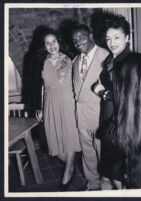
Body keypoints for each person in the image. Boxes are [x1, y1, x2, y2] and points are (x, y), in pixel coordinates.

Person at [95, 14, 141, 189]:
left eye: (117, 37)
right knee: (114, 172)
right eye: (108, 38)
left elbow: (128, 101)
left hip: (122, 129)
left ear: (127, 37)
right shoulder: (112, 61)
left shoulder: (133, 62)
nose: (112, 42)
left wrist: (102, 93)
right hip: (109, 125)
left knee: (125, 171)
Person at [35, 28, 81, 188]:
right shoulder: (41, 62)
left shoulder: (70, 59)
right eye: (48, 43)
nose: (52, 45)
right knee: (53, 141)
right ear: (44, 46)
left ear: (59, 42)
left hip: (69, 102)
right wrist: (38, 107)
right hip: (50, 104)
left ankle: (68, 172)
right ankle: (71, 164)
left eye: (54, 41)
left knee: (70, 137)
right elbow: (37, 87)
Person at [72, 24, 109, 190]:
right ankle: (92, 183)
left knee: (103, 151)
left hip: (100, 114)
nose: (78, 42)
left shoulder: (106, 56)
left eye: (81, 37)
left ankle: (106, 183)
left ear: (91, 35)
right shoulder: (75, 61)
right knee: (87, 152)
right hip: (81, 115)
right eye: (75, 40)